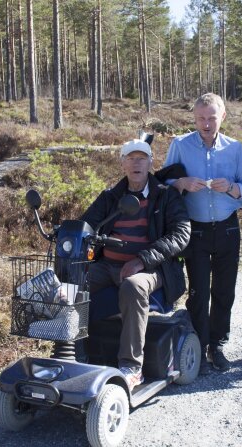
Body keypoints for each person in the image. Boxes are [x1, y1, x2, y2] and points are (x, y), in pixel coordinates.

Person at [81, 139, 191, 390]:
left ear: (151, 163)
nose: (136, 163)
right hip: (107, 265)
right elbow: (87, 224)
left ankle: (131, 366)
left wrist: (142, 260)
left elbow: (181, 234)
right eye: (130, 158)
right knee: (71, 280)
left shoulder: (166, 195)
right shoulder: (110, 197)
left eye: (142, 158)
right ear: (122, 164)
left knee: (132, 287)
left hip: (153, 269)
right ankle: (72, 350)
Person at [163, 93, 242, 373]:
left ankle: (218, 345)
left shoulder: (234, 148)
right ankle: (199, 347)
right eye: (201, 118)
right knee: (199, 292)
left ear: (222, 117)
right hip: (196, 230)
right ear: (194, 117)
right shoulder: (180, 145)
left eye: (211, 117)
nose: (206, 123)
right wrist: (182, 182)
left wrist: (230, 188)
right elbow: (162, 182)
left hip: (227, 227)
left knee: (224, 291)